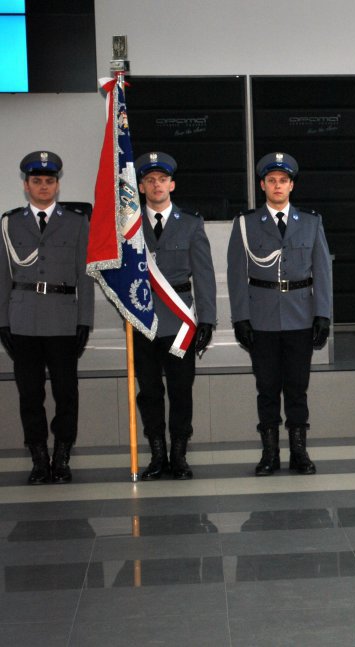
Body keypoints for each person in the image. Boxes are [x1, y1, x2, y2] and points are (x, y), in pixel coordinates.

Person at [227, 152, 332, 476]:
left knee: (297, 388)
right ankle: (269, 454)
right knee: (267, 388)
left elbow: (323, 270)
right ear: (262, 185)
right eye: (271, 180)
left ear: (291, 185)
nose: (277, 186)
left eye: (283, 181)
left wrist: (323, 314)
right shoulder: (246, 224)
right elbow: (236, 274)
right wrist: (240, 317)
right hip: (262, 319)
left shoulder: (311, 222)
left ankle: (299, 453)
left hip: (301, 316)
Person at [0, 151, 94, 484]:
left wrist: (84, 320)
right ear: (26, 185)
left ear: (57, 185)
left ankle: (62, 458)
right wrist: (3, 321)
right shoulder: (10, 223)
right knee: (30, 394)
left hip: (63, 319)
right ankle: (39, 460)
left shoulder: (76, 222)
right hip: (23, 319)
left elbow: (85, 275)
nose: (44, 186)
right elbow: (3, 276)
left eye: (49, 181)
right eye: (37, 181)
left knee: (66, 393)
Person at [132, 152, 216, 481]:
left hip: (180, 323)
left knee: (181, 391)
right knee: (149, 392)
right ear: (141, 187)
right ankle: (157, 455)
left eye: (162, 179)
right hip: (142, 322)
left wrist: (207, 319)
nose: (157, 185)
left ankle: (179, 455)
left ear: (172, 184)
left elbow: (204, 275)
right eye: (150, 180)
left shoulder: (191, 223)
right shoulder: (129, 225)